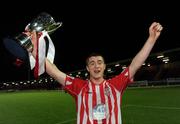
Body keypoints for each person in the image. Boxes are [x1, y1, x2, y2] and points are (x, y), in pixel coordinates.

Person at [30, 21, 163, 124]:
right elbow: (54, 71)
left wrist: (152, 39)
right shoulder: (79, 86)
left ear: (104, 66)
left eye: (99, 62)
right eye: (92, 63)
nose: (96, 66)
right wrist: (34, 49)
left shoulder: (116, 84)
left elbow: (135, 64)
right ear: (88, 68)